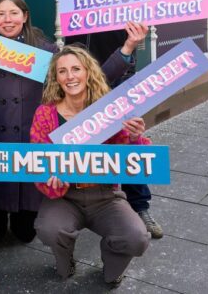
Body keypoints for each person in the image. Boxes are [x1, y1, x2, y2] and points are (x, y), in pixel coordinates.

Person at [0, 0, 196, 239]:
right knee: (79, 133)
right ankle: (76, 202)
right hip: (77, 71)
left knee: (126, 137)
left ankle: (139, 206)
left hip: (120, 65)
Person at [0, 0, 147, 246]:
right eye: (1, 14)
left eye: (14, 13)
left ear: (25, 16)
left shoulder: (46, 51)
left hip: (32, 149)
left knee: (25, 234)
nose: (7, 20)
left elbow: (92, 77)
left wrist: (128, 48)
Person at [31, 45, 151, 286]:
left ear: (88, 73)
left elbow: (133, 160)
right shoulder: (45, 113)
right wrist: (49, 178)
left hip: (105, 194)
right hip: (65, 196)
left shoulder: (109, 110)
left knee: (136, 237)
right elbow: (37, 161)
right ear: (56, 78)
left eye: (76, 69)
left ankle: (112, 263)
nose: (70, 76)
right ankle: (65, 262)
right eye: (62, 71)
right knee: (49, 229)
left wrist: (135, 137)